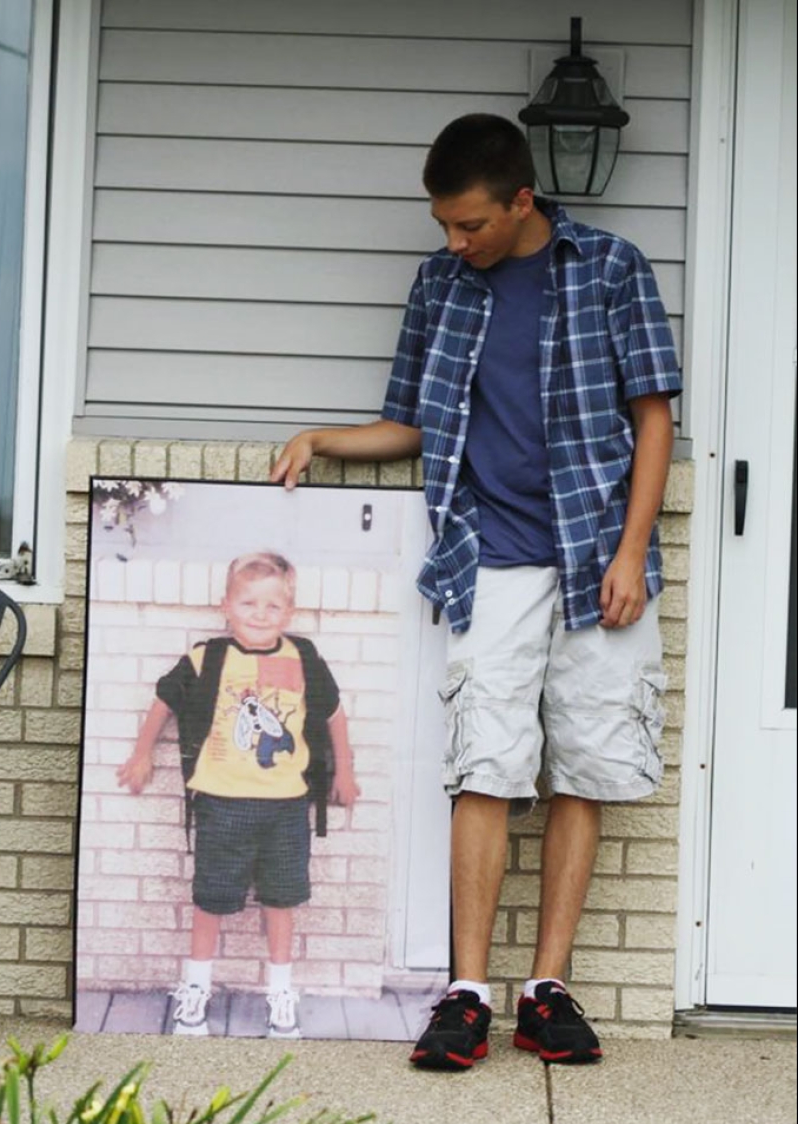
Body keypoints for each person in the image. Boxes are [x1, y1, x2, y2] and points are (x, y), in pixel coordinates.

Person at [270, 113, 681, 1069]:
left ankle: (547, 989)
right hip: (489, 556)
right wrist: (322, 437)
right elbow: (409, 421)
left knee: (585, 763)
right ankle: (466, 995)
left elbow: (653, 419)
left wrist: (630, 552)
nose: (453, 242)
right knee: (484, 764)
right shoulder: (439, 285)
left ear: (520, 201)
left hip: (596, 556)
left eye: (469, 226)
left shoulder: (611, 268)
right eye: (445, 226)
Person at [117, 551, 358, 1038]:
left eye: (273, 607)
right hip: (221, 803)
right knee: (212, 897)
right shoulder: (208, 658)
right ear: (226, 605)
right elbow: (163, 702)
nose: (260, 614)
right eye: (248, 603)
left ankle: (280, 994)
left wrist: (345, 772)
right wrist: (143, 754)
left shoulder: (303, 658)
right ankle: (196, 989)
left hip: (286, 807)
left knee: (281, 899)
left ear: (288, 613)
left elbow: (333, 716)